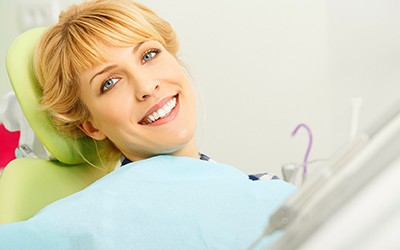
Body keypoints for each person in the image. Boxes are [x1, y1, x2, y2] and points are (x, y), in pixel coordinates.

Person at [0, 0, 296, 249]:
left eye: (148, 54)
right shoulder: (99, 220)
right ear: (90, 126)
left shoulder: (230, 185)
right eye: (109, 83)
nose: (146, 86)